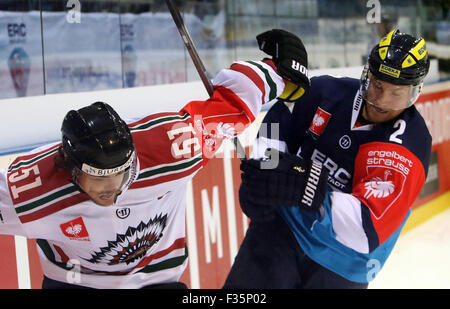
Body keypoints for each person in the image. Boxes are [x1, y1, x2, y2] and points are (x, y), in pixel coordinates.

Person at [0, 30, 309, 289]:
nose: (112, 188)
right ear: (70, 169)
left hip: (158, 284)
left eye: (120, 174)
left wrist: (280, 72)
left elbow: (232, 103)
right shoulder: (33, 190)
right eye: (97, 177)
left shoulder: (174, 149)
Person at [224, 29, 431, 289]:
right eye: (377, 84)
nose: (381, 99)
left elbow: (364, 229)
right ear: (368, 74)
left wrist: (304, 186)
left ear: (414, 93)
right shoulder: (328, 91)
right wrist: (269, 168)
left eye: (395, 93)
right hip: (281, 231)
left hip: (343, 265)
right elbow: (279, 119)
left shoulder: (409, 145)